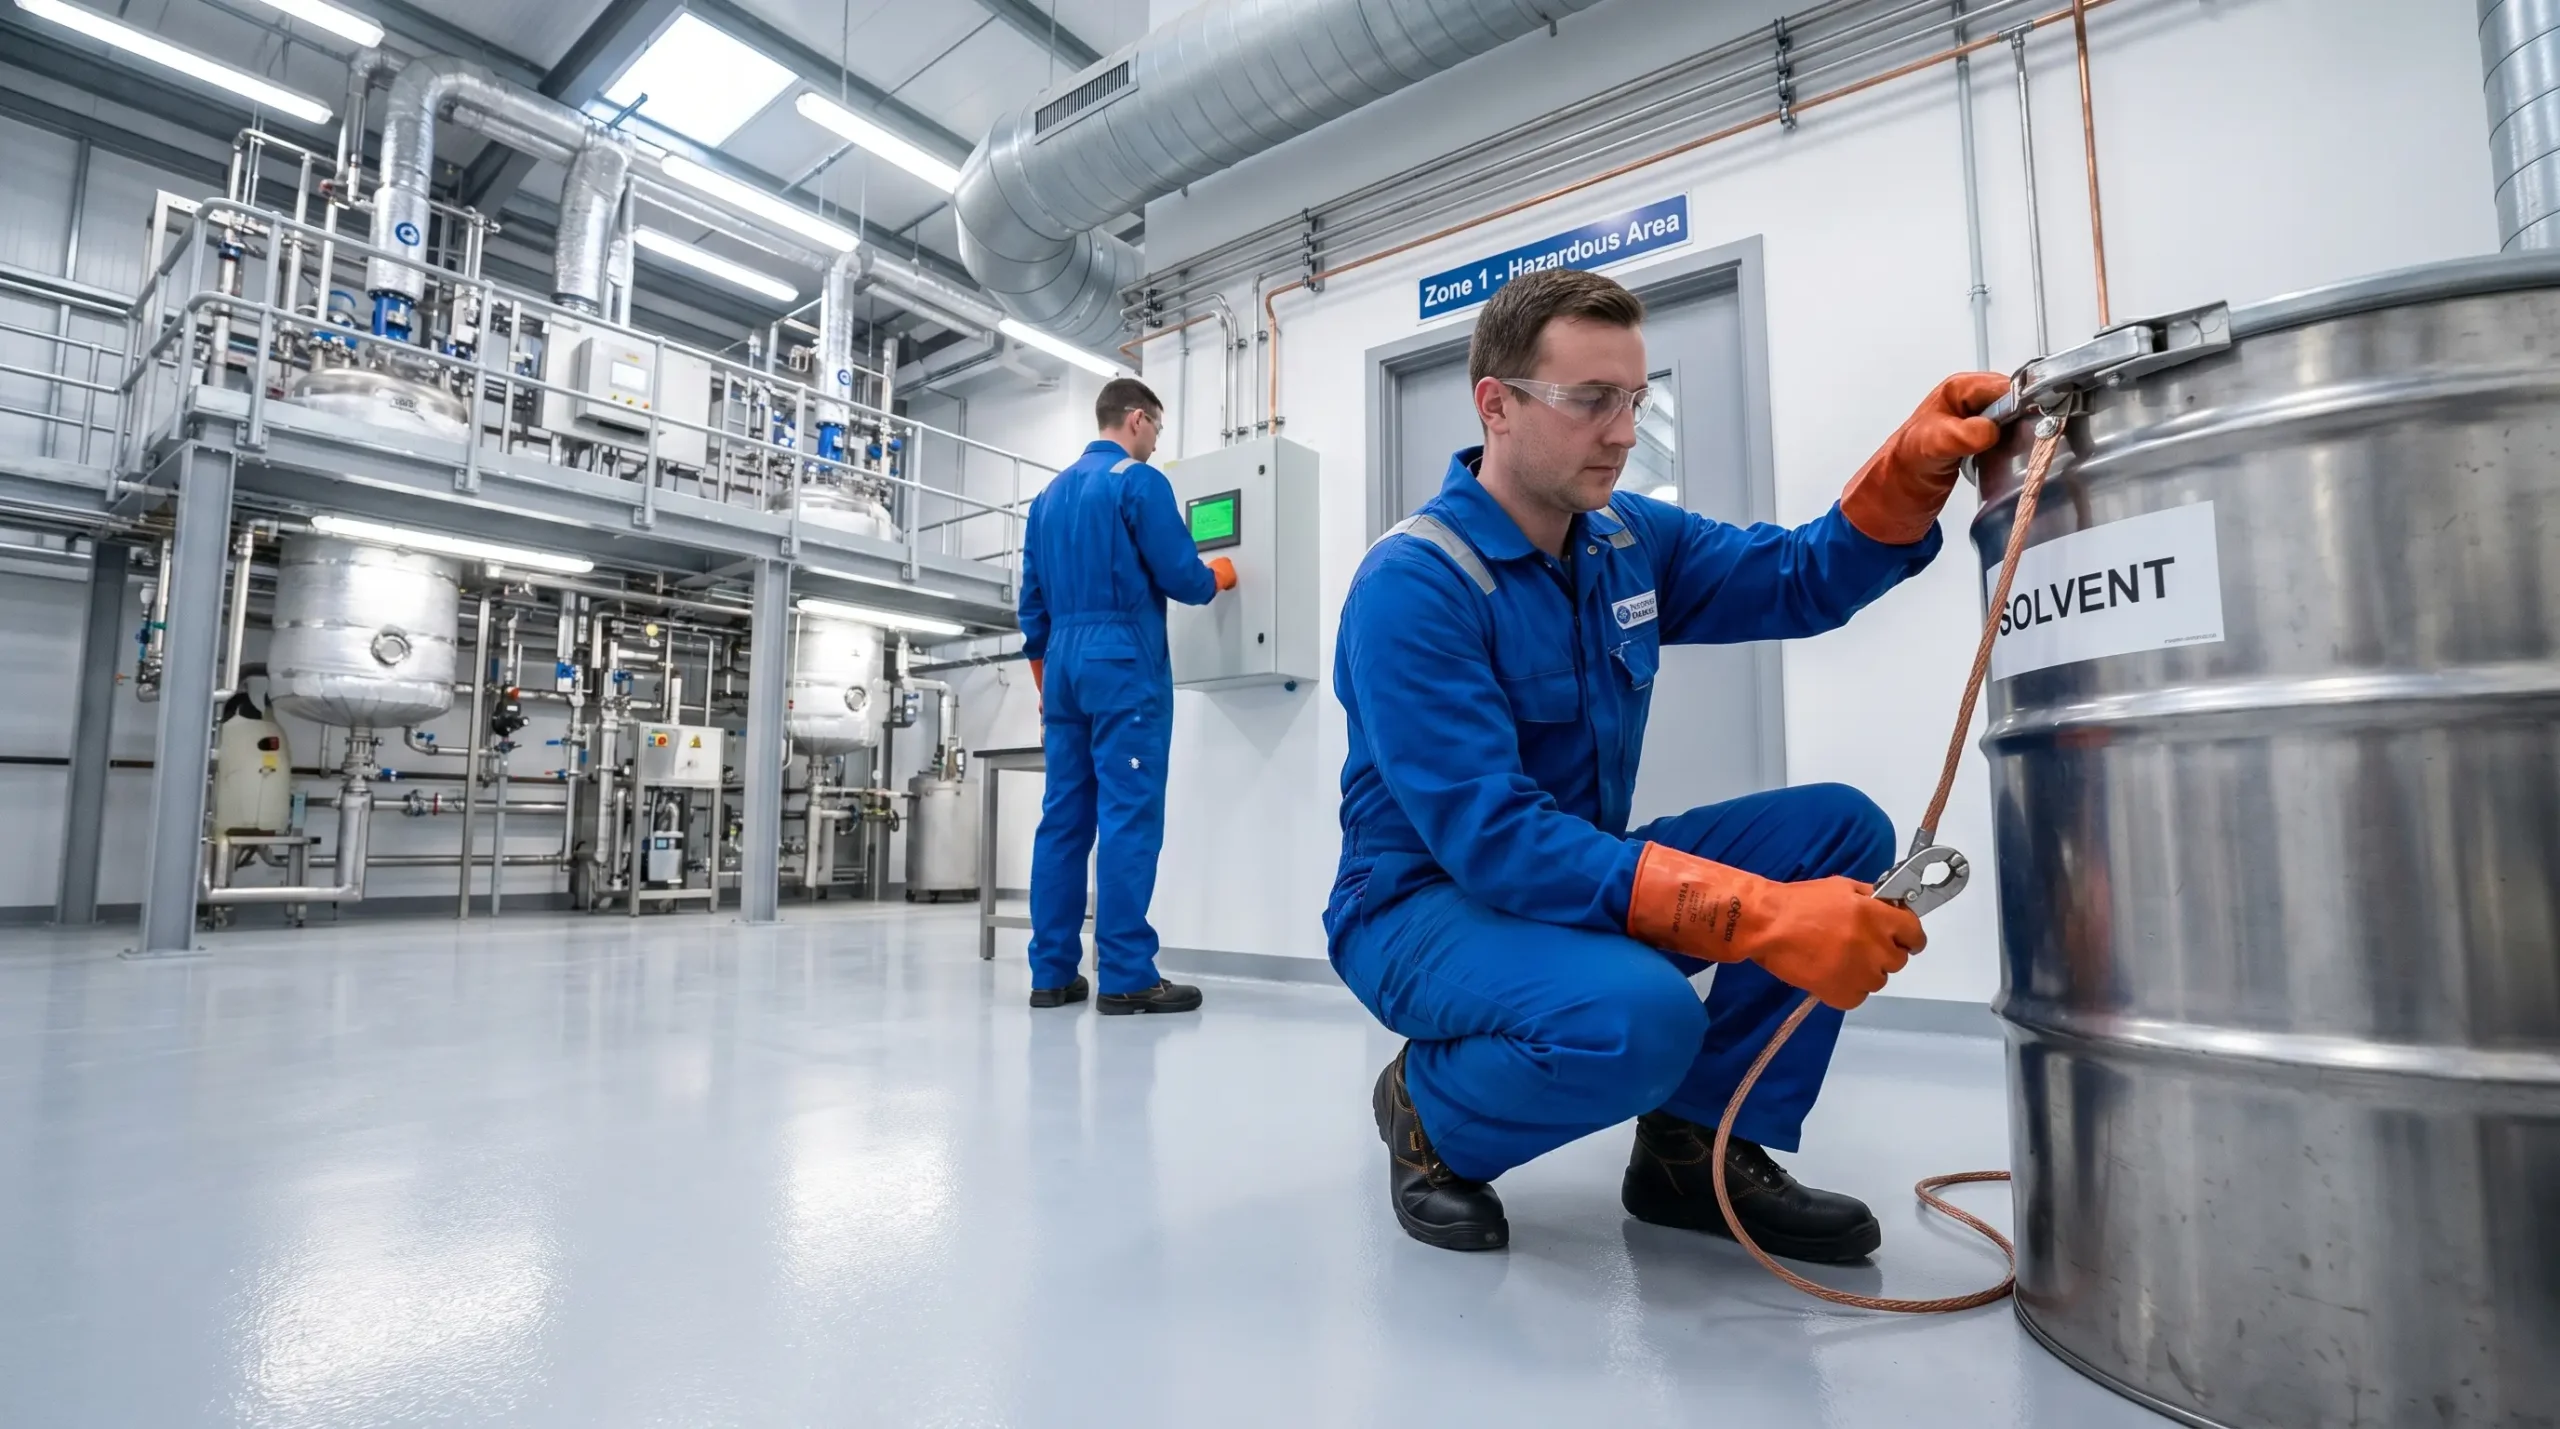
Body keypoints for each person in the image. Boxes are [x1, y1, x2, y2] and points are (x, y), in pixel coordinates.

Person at [1329, 267, 2007, 1257]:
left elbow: (1798, 579)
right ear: (1498, 405)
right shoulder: (1414, 586)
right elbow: (1496, 841)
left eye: (1633, 400)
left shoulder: (1620, 540)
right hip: (1422, 909)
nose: (1621, 432)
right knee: (1639, 1019)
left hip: (1558, 875)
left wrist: (1905, 476)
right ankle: (1426, 1115)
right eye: (1589, 401)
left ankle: (1696, 1153)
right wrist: (1763, 915)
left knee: (1837, 831)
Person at [1017, 378, 1238, 1014]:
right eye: (1157, 430)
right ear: (1137, 419)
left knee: (1062, 821)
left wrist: (1045, 685)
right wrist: (1215, 577)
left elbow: (1032, 610)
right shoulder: (1137, 483)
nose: (1154, 442)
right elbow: (1181, 576)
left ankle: (1052, 975)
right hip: (1121, 669)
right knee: (1127, 817)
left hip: (1061, 670)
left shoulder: (1047, 497)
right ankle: (1124, 975)